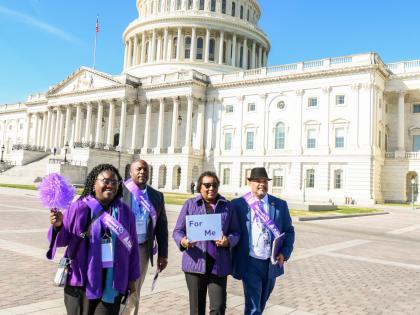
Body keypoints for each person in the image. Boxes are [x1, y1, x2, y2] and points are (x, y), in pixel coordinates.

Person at [47, 164, 140, 315]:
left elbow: (133, 248)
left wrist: (132, 281)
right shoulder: (78, 208)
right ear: (94, 183)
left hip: (112, 283)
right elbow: (63, 239)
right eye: (106, 181)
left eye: (115, 182)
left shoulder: (125, 213)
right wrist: (58, 225)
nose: (110, 185)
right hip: (81, 282)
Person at [173, 171, 240, 315]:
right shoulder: (190, 205)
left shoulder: (227, 206)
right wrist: (183, 241)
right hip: (195, 264)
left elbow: (236, 232)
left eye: (214, 185)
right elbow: (178, 231)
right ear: (199, 187)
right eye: (207, 185)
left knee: (219, 307)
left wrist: (228, 241)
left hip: (219, 264)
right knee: (197, 309)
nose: (211, 188)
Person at [231, 167, 295, 315]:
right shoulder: (238, 204)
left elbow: (289, 231)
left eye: (264, 181)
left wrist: (284, 253)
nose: (262, 184)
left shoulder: (279, 205)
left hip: (271, 263)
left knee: (261, 302)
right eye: (257, 181)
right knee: (253, 307)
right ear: (250, 183)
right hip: (250, 262)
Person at [122, 159, 168, 315]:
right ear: (130, 172)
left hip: (142, 249)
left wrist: (163, 254)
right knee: (116, 285)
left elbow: (162, 228)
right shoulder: (119, 191)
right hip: (120, 248)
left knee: (135, 287)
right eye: (139, 169)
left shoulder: (156, 196)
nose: (142, 172)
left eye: (145, 169)